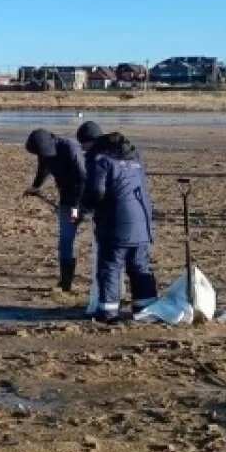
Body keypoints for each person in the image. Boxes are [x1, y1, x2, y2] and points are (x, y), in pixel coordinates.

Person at [82, 131, 158, 324]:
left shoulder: (101, 160)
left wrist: (84, 209)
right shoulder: (135, 159)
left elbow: (96, 191)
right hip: (143, 220)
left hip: (117, 223)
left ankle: (108, 311)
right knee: (139, 265)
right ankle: (146, 308)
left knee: (110, 266)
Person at [23, 122, 96, 292]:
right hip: (66, 201)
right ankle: (65, 282)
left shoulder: (70, 147)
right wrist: (35, 187)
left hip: (84, 201)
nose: (42, 155)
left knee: (99, 240)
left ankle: (100, 282)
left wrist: (78, 209)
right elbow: (44, 168)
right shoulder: (45, 151)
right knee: (65, 241)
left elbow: (83, 178)